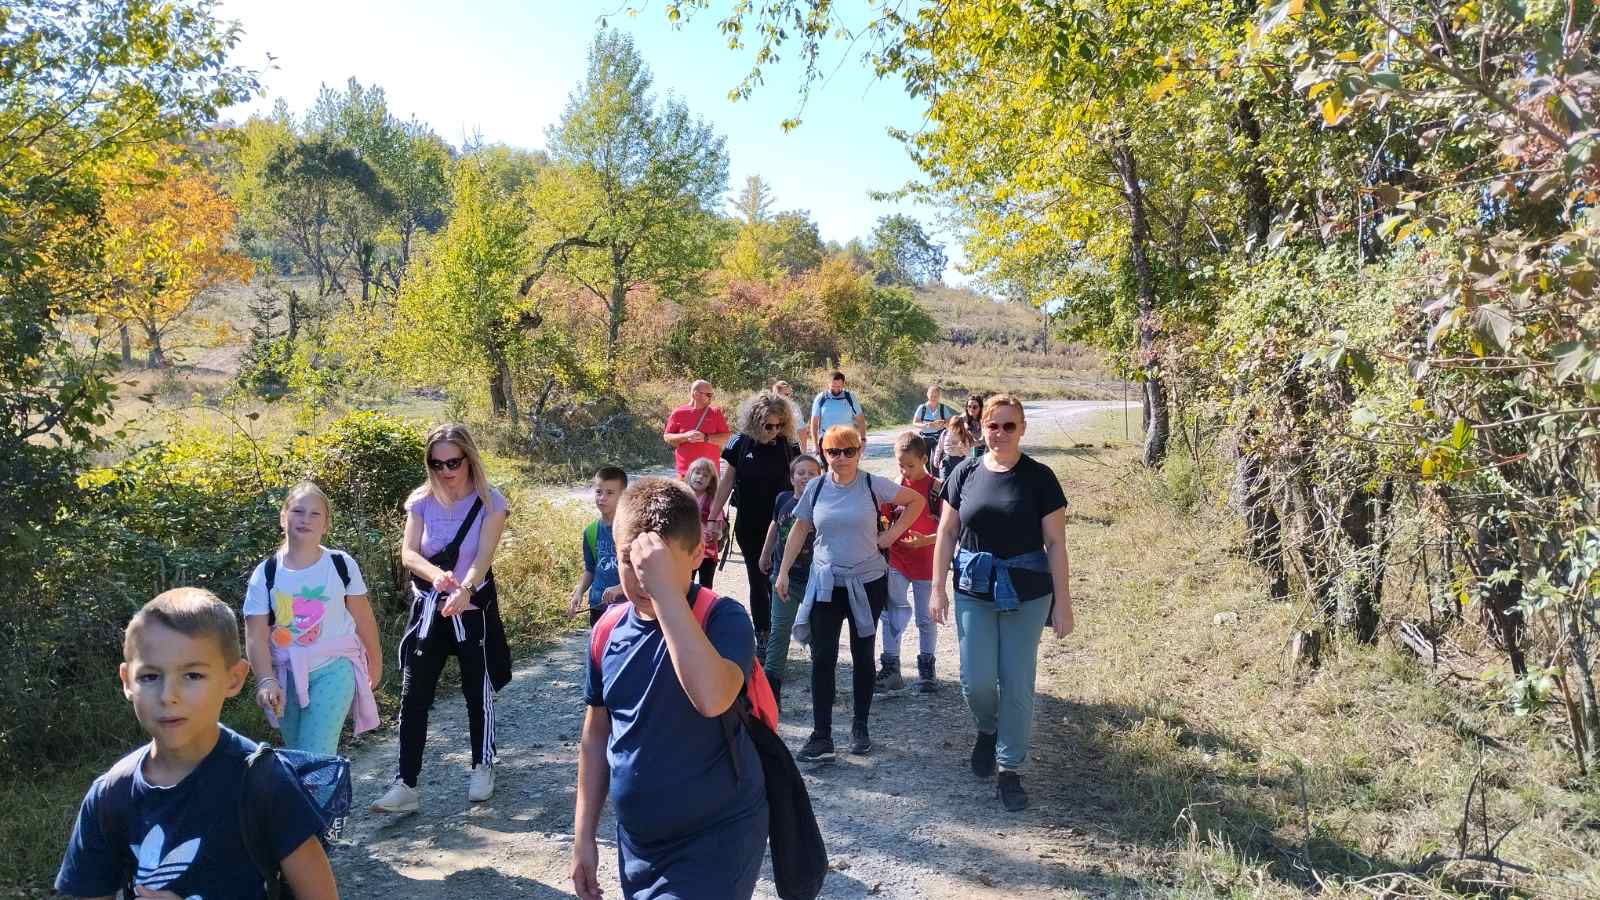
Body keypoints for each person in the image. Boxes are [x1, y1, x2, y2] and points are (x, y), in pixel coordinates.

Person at [56, 588, 338, 900]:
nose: (168, 696)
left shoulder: (264, 783)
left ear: (234, 678)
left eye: (192, 675)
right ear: (127, 681)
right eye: (150, 677)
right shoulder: (109, 796)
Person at [571, 478, 767, 900]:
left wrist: (664, 593)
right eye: (631, 562)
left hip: (717, 839)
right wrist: (583, 836)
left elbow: (712, 697)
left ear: (697, 556)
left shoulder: (723, 619)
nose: (643, 579)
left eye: (655, 564)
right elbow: (597, 736)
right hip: (639, 845)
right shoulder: (607, 631)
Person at [931, 395, 1075, 812]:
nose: (1000, 433)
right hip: (974, 587)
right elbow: (946, 533)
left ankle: (1009, 769)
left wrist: (1063, 602)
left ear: (1022, 429)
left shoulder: (1040, 478)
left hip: (1027, 592)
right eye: (993, 425)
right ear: (982, 429)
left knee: (1016, 681)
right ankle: (988, 728)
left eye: (1009, 426)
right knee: (975, 680)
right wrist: (937, 587)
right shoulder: (964, 472)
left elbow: (1055, 543)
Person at [373, 423, 511, 814]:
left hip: (471, 609)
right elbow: (409, 554)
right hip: (430, 611)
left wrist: (464, 589)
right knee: (413, 695)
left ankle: (482, 765)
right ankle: (405, 783)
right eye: (436, 464)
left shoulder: (491, 502)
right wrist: (436, 576)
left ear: (469, 459)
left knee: (477, 690)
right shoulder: (420, 501)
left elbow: (483, 558)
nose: (445, 471)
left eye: (453, 462)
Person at [775, 426, 926, 761]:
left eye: (849, 451)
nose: (841, 458)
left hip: (867, 582)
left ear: (860, 452)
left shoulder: (873, 484)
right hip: (827, 584)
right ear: (824, 453)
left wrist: (891, 536)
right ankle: (822, 736)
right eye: (833, 452)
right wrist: (783, 571)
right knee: (822, 658)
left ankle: (860, 727)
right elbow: (800, 527)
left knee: (862, 655)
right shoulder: (815, 487)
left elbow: (916, 501)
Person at [244, 481, 382, 756]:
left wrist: (375, 662)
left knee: (315, 755)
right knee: (298, 756)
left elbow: (363, 617)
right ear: (283, 518)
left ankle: (322, 784)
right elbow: (255, 636)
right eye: (298, 511)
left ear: (326, 524)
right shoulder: (266, 574)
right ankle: (328, 786)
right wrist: (266, 680)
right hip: (285, 677)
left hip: (334, 669)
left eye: (315, 514)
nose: (305, 519)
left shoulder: (340, 564)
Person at [708, 391, 801, 660]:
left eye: (780, 425)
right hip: (749, 523)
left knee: (779, 579)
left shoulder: (789, 444)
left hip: (784, 525)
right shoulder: (740, 442)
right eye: (769, 426)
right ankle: (763, 635)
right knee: (757, 579)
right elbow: (727, 482)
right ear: (755, 421)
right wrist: (713, 517)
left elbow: (803, 480)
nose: (774, 431)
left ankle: (778, 638)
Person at [876, 432, 942, 695]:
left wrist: (927, 540)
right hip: (898, 560)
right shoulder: (895, 487)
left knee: (926, 618)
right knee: (892, 612)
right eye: (900, 465)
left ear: (924, 459)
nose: (904, 470)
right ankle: (891, 667)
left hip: (927, 563)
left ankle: (926, 668)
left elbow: (950, 530)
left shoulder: (937, 489)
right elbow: (883, 521)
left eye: (910, 465)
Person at [758, 453, 822, 707]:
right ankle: (770, 692)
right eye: (800, 473)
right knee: (779, 632)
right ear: (792, 477)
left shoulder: (824, 504)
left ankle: (823, 686)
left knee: (819, 633)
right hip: (785, 578)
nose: (805, 477)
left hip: (816, 582)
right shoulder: (783, 499)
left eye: (812, 473)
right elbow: (774, 526)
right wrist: (765, 554)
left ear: (820, 478)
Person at [569, 466, 628, 627]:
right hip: (598, 606)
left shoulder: (632, 531)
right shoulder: (591, 531)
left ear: (623, 495)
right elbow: (590, 569)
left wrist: (619, 588)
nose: (602, 498)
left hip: (625, 607)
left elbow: (642, 573)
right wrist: (579, 591)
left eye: (610, 493)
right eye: (599, 492)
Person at [663, 380, 733, 478]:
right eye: (708, 395)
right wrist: (686, 436)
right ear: (696, 394)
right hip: (685, 473)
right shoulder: (678, 412)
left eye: (711, 394)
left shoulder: (715, 412)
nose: (711, 397)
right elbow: (667, 437)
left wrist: (705, 438)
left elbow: (726, 438)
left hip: (710, 474)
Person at [683, 457, 722, 588]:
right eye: (697, 473)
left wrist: (714, 533)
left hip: (707, 554)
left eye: (705, 476)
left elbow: (718, 530)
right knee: (685, 584)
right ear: (690, 474)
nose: (700, 477)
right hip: (686, 551)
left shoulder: (713, 501)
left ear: (711, 482)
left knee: (706, 586)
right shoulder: (682, 497)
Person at [809, 371, 866, 452]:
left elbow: (860, 420)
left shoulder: (850, 397)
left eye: (839, 386)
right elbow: (814, 423)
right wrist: (815, 444)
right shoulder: (821, 398)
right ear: (828, 384)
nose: (836, 389)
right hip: (827, 441)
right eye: (833, 386)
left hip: (848, 440)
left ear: (843, 384)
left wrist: (863, 440)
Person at [910, 384, 956, 459]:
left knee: (936, 460)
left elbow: (951, 424)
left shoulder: (943, 408)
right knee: (926, 461)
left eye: (935, 396)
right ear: (927, 395)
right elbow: (915, 423)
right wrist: (927, 425)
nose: (933, 398)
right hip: (925, 438)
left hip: (939, 438)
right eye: (931, 396)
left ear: (939, 396)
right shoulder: (922, 408)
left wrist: (943, 423)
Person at [935, 414, 976, 481]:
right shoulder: (945, 433)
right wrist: (936, 458)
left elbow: (969, 454)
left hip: (959, 461)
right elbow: (939, 447)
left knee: (957, 481)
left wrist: (963, 447)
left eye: (957, 428)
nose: (954, 430)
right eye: (953, 427)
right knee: (944, 480)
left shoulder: (963, 437)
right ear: (950, 425)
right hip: (946, 460)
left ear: (961, 427)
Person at [773, 379, 809, 452]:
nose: (789, 397)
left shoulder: (793, 407)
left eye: (789, 394)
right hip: (772, 444)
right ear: (776, 393)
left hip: (790, 445)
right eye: (786, 394)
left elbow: (801, 429)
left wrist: (804, 449)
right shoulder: (768, 407)